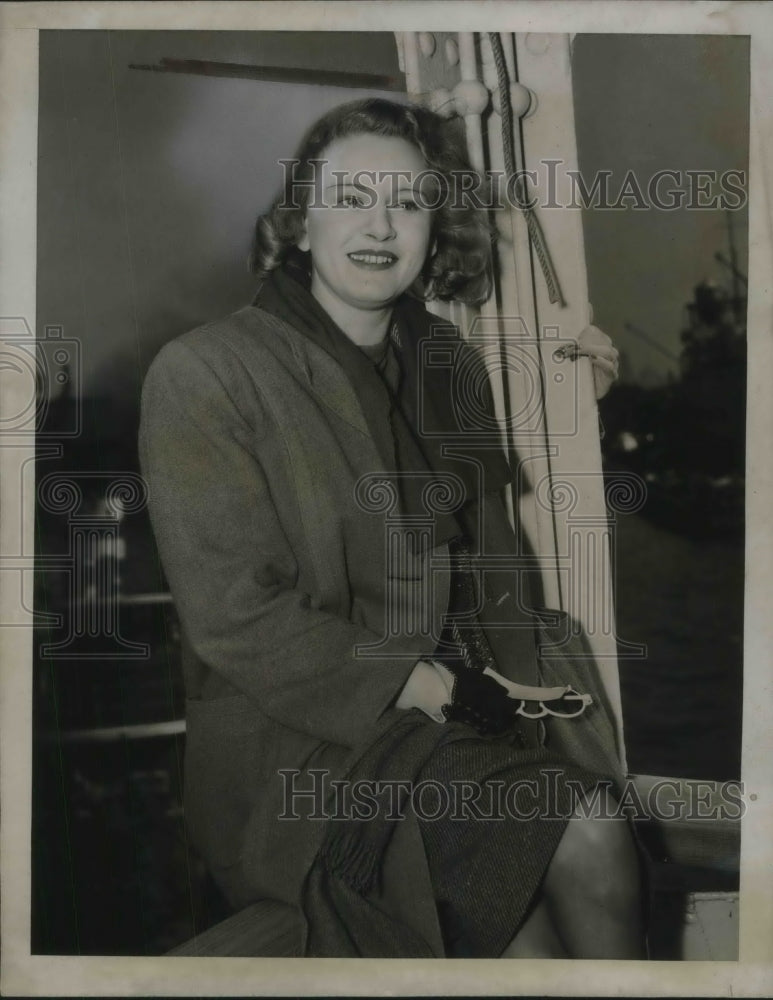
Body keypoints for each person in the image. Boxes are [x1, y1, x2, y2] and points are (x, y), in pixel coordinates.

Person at [139, 98, 644, 959]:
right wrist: (419, 684)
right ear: (299, 220)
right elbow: (234, 613)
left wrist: (520, 703)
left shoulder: (446, 363)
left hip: (458, 733)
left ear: (431, 231)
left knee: (538, 938)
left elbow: (495, 567)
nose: (379, 225)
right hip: (307, 754)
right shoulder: (205, 372)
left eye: (405, 203)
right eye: (351, 197)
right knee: (584, 823)